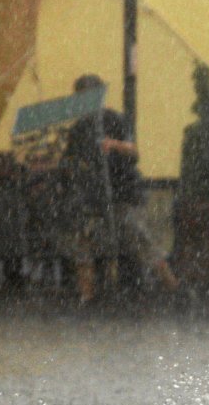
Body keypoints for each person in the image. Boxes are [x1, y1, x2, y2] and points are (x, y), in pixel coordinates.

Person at [63, 74, 180, 304]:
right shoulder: (78, 129)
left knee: (140, 238)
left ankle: (172, 286)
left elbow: (133, 151)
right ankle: (87, 296)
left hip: (125, 193)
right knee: (84, 243)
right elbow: (70, 160)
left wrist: (113, 145)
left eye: (87, 97)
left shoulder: (114, 119)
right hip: (95, 197)